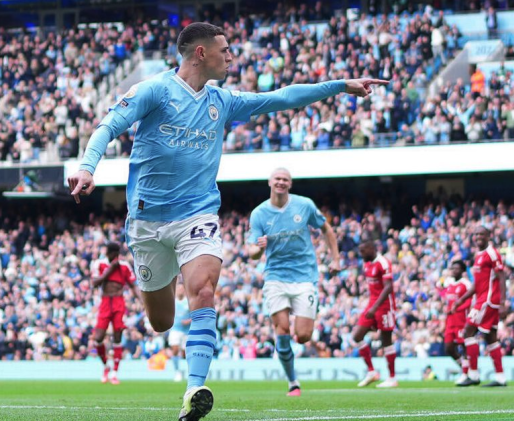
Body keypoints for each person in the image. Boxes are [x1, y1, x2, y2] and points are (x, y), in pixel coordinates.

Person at [67, 22, 387, 421]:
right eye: (225, 49)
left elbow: (283, 97)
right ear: (201, 53)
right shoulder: (155, 90)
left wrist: (340, 85)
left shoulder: (224, 100)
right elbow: (108, 126)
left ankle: (193, 389)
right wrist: (86, 167)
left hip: (197, 215)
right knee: (161, 321)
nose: (232, 56)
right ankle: (169, 314)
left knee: (203, 292)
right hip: (147, 222)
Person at [247, 167, 340, 397]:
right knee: (282, 329)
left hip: (304, 276)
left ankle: (295, 344)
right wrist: (258, 250)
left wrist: (335, 257)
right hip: (275, 277)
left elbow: (325, 227)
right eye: (277, 178)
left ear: (290, 184)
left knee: (304, 335)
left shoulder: (304, 205)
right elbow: (251, 252)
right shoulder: (259, 214)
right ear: (270, 182)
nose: (281, 182)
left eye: (285, 180)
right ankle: (293, 382)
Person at [452, 226, 507, 387]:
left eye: (481, 234)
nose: (478, 237)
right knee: (491, 338)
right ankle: (500, 377)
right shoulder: (478, 256)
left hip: (488, 300)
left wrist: (503, 302)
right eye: (476, 234)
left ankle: (473, 374)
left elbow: (501, 276)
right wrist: (461, 300)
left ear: (488, 236)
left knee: (467, 332)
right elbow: (477, 284)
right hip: (482, 299)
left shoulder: (492, 253)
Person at [91, 242, 138, 385]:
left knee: (118, 334)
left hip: (118, 302)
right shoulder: (99, 264)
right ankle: (106, 366)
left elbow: (133, 286)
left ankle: (115, 372)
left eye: (115, 253)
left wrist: (143, 302)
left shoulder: (124, 266)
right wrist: (110, 270)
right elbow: (94, 283)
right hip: (105, 301)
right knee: (98, 337)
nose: (114, 256)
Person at [354, 239, 398, 388]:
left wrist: (375, 308)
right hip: (372, 304)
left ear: (372, 248)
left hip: (385, 306)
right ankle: (372, 372)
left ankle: (392, 378)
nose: (361, 254)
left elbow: (388, 288)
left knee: (386, 341)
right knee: (357, 336)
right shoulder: (367, 265)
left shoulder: (383, 262)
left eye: (363, 251)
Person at [442, 260, 471, 384]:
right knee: (448, 348)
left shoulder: (466, 284)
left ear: (463, 271)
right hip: (450, 322)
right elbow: (448, 300)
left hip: (461, 320)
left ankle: (466, 373)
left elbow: (470, 301)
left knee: (464, 347)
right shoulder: (449, 284)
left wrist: (457, 308)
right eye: (452, 268)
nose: (454, 271)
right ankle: (464, 369)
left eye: (457, 268)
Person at [169, 282, 191, 382]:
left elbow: (195, 315)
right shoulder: (172, 301)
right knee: (175, 348)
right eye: (178, 289)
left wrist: (188, 321)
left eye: (182, 289)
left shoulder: (188, 302)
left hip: (186, 331)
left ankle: (185, 371)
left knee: (184, 353)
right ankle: (177, 371)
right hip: (175, 329)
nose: (180, 291)